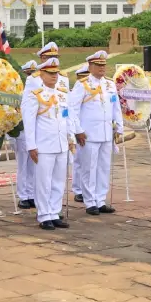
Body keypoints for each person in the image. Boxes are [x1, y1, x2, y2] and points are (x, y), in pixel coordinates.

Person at [68, 50, 124, 216]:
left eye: (103, 65)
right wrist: (78, 130)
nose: (102, 68)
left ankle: (100, 200)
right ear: (90, 66)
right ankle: (90, 201)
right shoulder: (82, 84)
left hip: (106, 133)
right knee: (89, 168)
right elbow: (73, 109)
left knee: (103, 168)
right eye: (98, 65)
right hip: (89, 134)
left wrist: (119, 126)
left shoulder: (109, 84)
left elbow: (116, 106)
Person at [21, 57, 72, 231]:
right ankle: (44, 214)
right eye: (50, 73)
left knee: (58, 181)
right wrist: (31, 145)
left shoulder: (62, 94)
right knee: (44, 181)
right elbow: (29, 122)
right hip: (44, 145)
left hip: (61, 144)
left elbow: (67, 117)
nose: (54, 76)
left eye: (56, 73)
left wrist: (70, 137)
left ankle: (55, 212)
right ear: (41, 74)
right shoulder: (35, 95)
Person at [13, 60, 39, 210]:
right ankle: (23, 195)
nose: (32, 76)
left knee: (34, 165)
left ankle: (31, 194)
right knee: (23, 164)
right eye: (30, 73)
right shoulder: (17, 89)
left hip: (36, 131)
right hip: (22, 130)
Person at [70, 63, 90, 202]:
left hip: (89, 130)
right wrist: (76, 130)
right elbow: (74, 110)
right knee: (79, 161)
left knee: (88, 163)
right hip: (79, 128)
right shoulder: (79, 87)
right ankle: (78, 189)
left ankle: (86, 188)